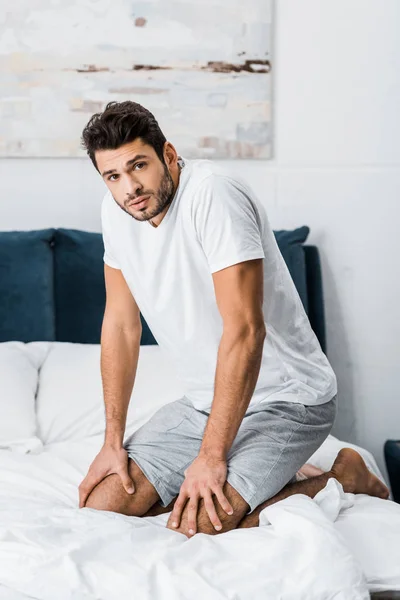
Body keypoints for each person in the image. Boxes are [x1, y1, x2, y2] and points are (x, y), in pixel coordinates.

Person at [78, 101, 389, 538]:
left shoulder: (214, 194)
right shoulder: (117, 212)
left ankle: (344, 476)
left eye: (139, 166)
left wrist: (212, 455)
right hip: (204, 401)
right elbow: (121, 327)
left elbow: (245, 331)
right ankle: (272, 472)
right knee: (102, 504)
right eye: (113, 176)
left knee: (205, 521)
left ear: (168, 155)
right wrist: (113, 441)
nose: (130, 187)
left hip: (289, 397)